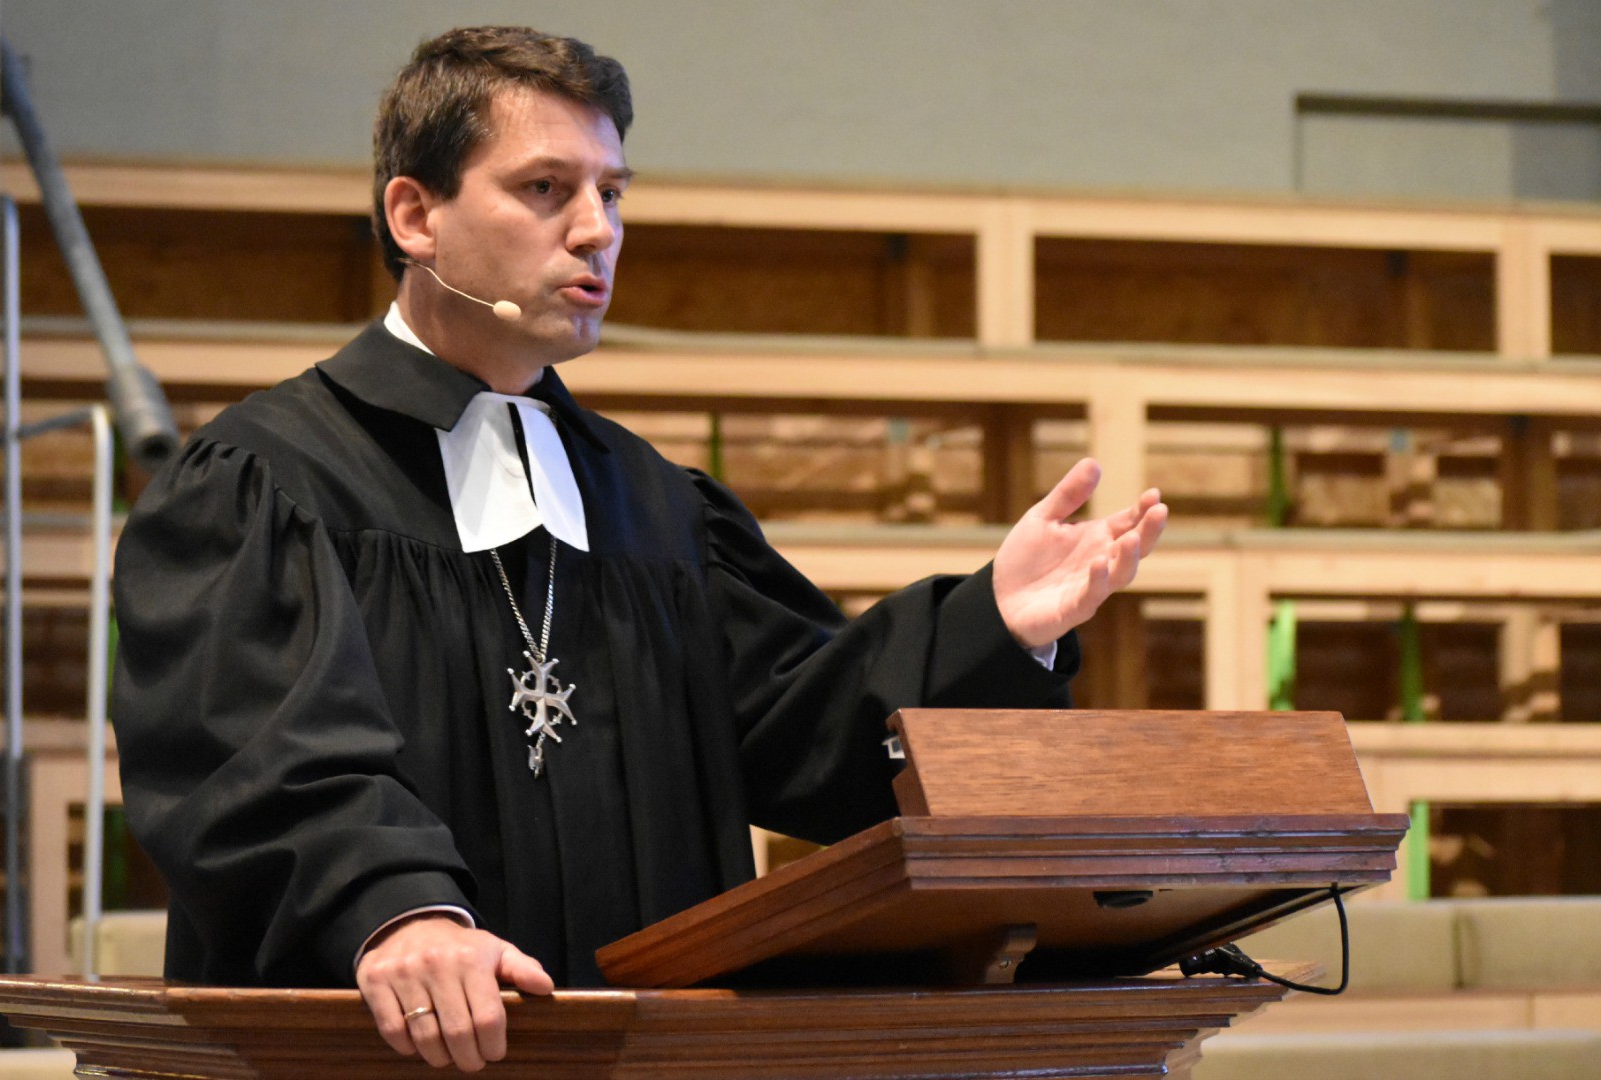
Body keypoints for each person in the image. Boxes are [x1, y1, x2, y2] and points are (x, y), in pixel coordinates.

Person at [110, 25, 1167, 1074]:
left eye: (611, 194)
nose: (595, 231)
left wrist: (994, 623)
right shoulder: (269, 482)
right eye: (544, 190)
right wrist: (398, 914)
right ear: (414, 214)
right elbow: (253, 763)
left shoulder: (654, 506)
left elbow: (803, 732)